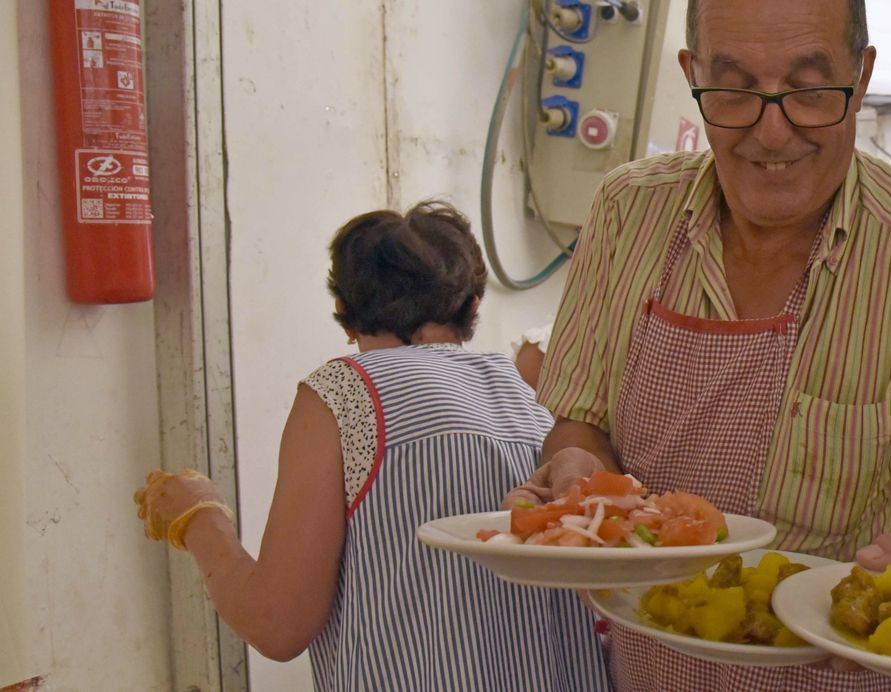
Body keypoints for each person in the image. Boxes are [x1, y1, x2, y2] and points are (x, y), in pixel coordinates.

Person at [507, 0, 891, 691]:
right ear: (692, 73)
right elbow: (580, 416)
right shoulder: (627, 214)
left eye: (811, 89)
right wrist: (579, 475)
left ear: (860, 77)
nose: (772, 130)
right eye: (733, 90)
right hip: (660, 670)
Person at [133, 202, 609, 692]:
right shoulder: (528, 392)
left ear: (344, 314)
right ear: (471, 307)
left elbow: (278, 624)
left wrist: (199, 518)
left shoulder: (342, 393)